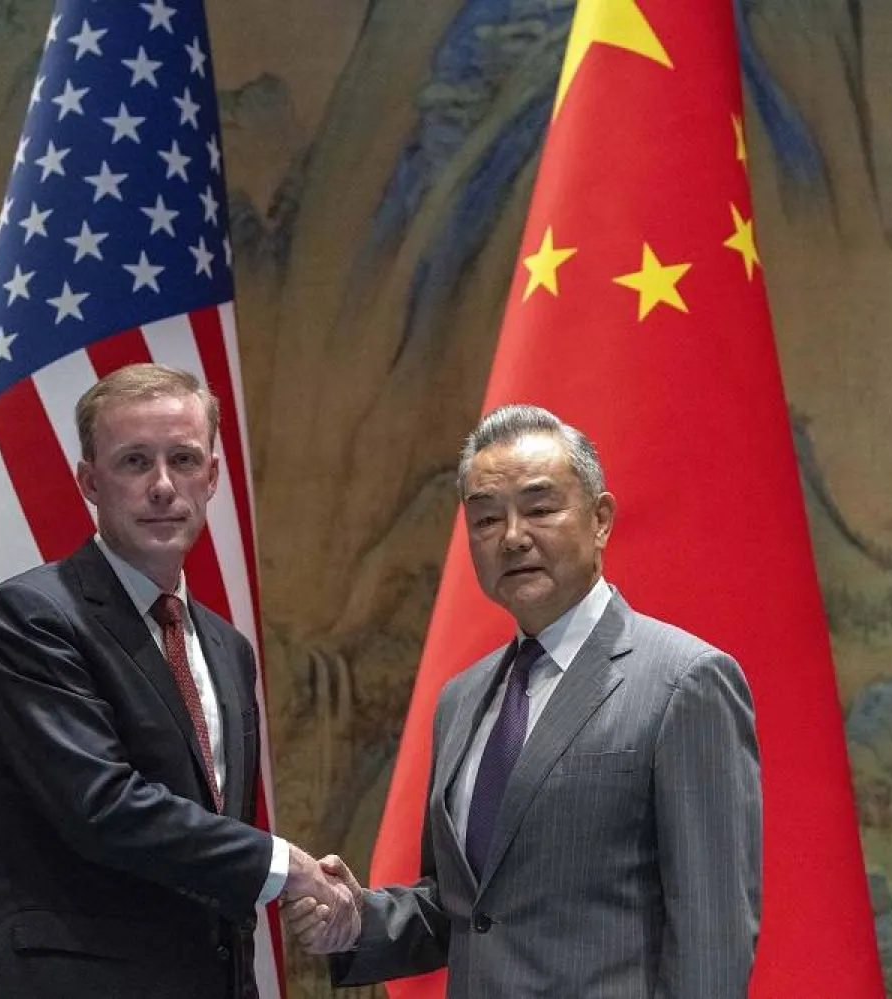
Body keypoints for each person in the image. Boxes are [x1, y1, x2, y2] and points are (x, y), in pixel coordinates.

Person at [291, 404, 763, 998]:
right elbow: (467, 907)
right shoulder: (461, 699)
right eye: (487, 519)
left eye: (540, 509)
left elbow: (712, 937)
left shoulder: (684, 682)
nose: (513, 537)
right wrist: (357, 919)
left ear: (600, 519)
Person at [0, 363, 356, 998]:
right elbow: (102, 806)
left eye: (184, 459)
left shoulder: (228, 649)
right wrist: (284, 867)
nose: (164, 486)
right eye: (135, 462)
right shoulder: (32, 618)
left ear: (213, 476)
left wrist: (300, 894)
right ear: (90, 482)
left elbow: (213, 847)